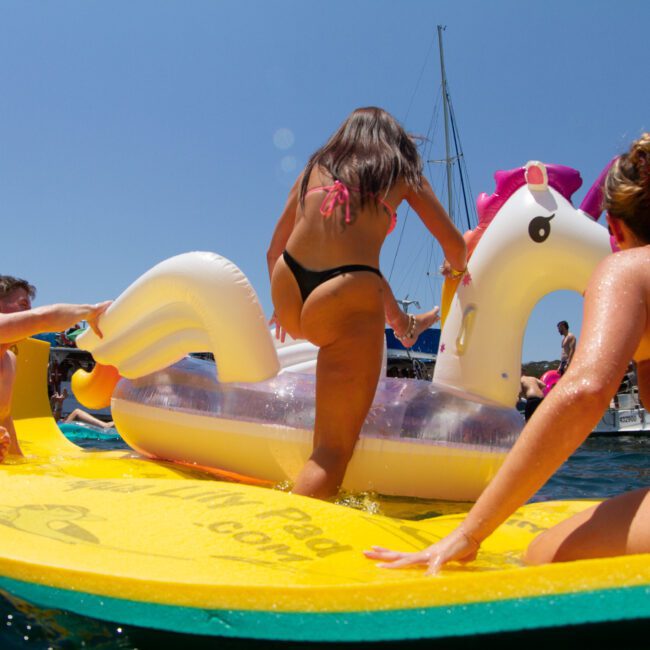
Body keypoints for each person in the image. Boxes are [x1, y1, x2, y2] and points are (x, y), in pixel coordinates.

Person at [364, 133, 650, 572]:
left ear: (614, 228)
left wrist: (470, 531)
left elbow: (586, 392)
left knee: (542, 556)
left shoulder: (627, 269)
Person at [267, 107, 466, 499]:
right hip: (342, 296)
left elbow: (273, 249)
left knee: (367, 278)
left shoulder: (314, 168)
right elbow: (455, 246)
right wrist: (455, 270)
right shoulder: (399, 172)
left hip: (288, 287)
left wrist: (282, 307)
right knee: (330, 453)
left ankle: (407, 324)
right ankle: (287, 538)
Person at [0, 275, 110, 460]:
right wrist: (91, 311)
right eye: (23, 304)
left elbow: (5, 417)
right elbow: (43, 319)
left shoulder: (10, 360)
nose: (28, 312)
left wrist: (19, 461)